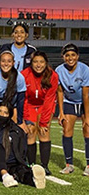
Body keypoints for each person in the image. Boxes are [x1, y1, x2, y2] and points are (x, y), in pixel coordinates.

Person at [0, 101, 46, 189]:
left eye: (5, 113)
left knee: (20, 172)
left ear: (10, 115)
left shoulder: (17, 131)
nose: (2, 114)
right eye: (0, 111)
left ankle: (34, 180)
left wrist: (22, 165)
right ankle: (5, 175)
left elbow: (22, 152)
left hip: (11, 164)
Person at [21, 51, 58, 175]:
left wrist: (43, 122)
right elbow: (24, 99)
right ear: (31, 63)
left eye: (41, 62)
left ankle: (44, 166)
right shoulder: (24, 74)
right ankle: (31, 164)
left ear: (46, 63)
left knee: (44, 132)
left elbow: (49, 99)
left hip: (44, 106)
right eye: (35, 62)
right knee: (30, 132)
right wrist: (27, 118)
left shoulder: (53, 75)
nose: (38, 65)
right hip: (30, 105)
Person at [56, 43, 89, 175]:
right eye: (67, 55)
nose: (70, 58)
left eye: (73, 55)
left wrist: (87, 116)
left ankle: (88, 165)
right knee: (67, 130)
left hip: (85, 101)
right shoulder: (59, 70)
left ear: (77, 56)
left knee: (87, 129)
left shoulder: (85, 69)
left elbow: (86, 94)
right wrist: (61, 113)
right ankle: (69, 164)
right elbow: (59, 92)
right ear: (63, 57)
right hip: (69, 101)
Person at [0, 50, 26, 127]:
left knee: (15, 128)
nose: (6, 64)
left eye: (9, 61)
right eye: (3, 61)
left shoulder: (19, 78)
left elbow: (20, 100)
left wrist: (20, 121)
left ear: (13, 63)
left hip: (12, 106)